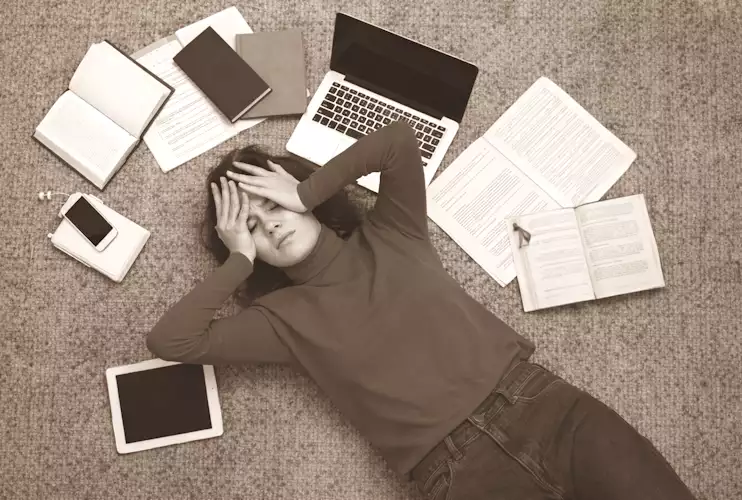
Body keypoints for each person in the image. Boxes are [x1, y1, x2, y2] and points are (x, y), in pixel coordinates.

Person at [147, 122, 697, 500]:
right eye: (249, 226)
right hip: (458, 474)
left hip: (546, 410)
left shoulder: (392, 230)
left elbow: (399, 140)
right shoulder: (278, 321)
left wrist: (306, 190)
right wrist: (238, 260)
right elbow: (172, 341)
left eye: (271, 203)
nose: (268, 223)